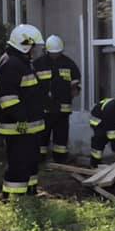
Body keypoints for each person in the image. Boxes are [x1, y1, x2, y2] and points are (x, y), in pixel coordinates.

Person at [0, 24, 45, 198]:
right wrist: (21, 118)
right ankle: (12, 196)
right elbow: (7, 97)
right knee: (19, 161)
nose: (34, 51)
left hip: (28, 124)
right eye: (33, 46)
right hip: (19, 125)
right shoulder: (11, 63)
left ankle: (30, 191)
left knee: (30, 160)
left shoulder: (20, 61)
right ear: (25, 44)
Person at [33, 35, 81, 163]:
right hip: (44, 108)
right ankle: (39, 158)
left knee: (61, 135)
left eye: (58, 53)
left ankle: (60, 159)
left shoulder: (69, 64)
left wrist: (74, 89)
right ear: (47, 51)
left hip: (62, 109)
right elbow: (31, 85)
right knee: (42, 134)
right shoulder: (38, 64)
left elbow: (76, 83)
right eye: (53, 53)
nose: (55, 55)